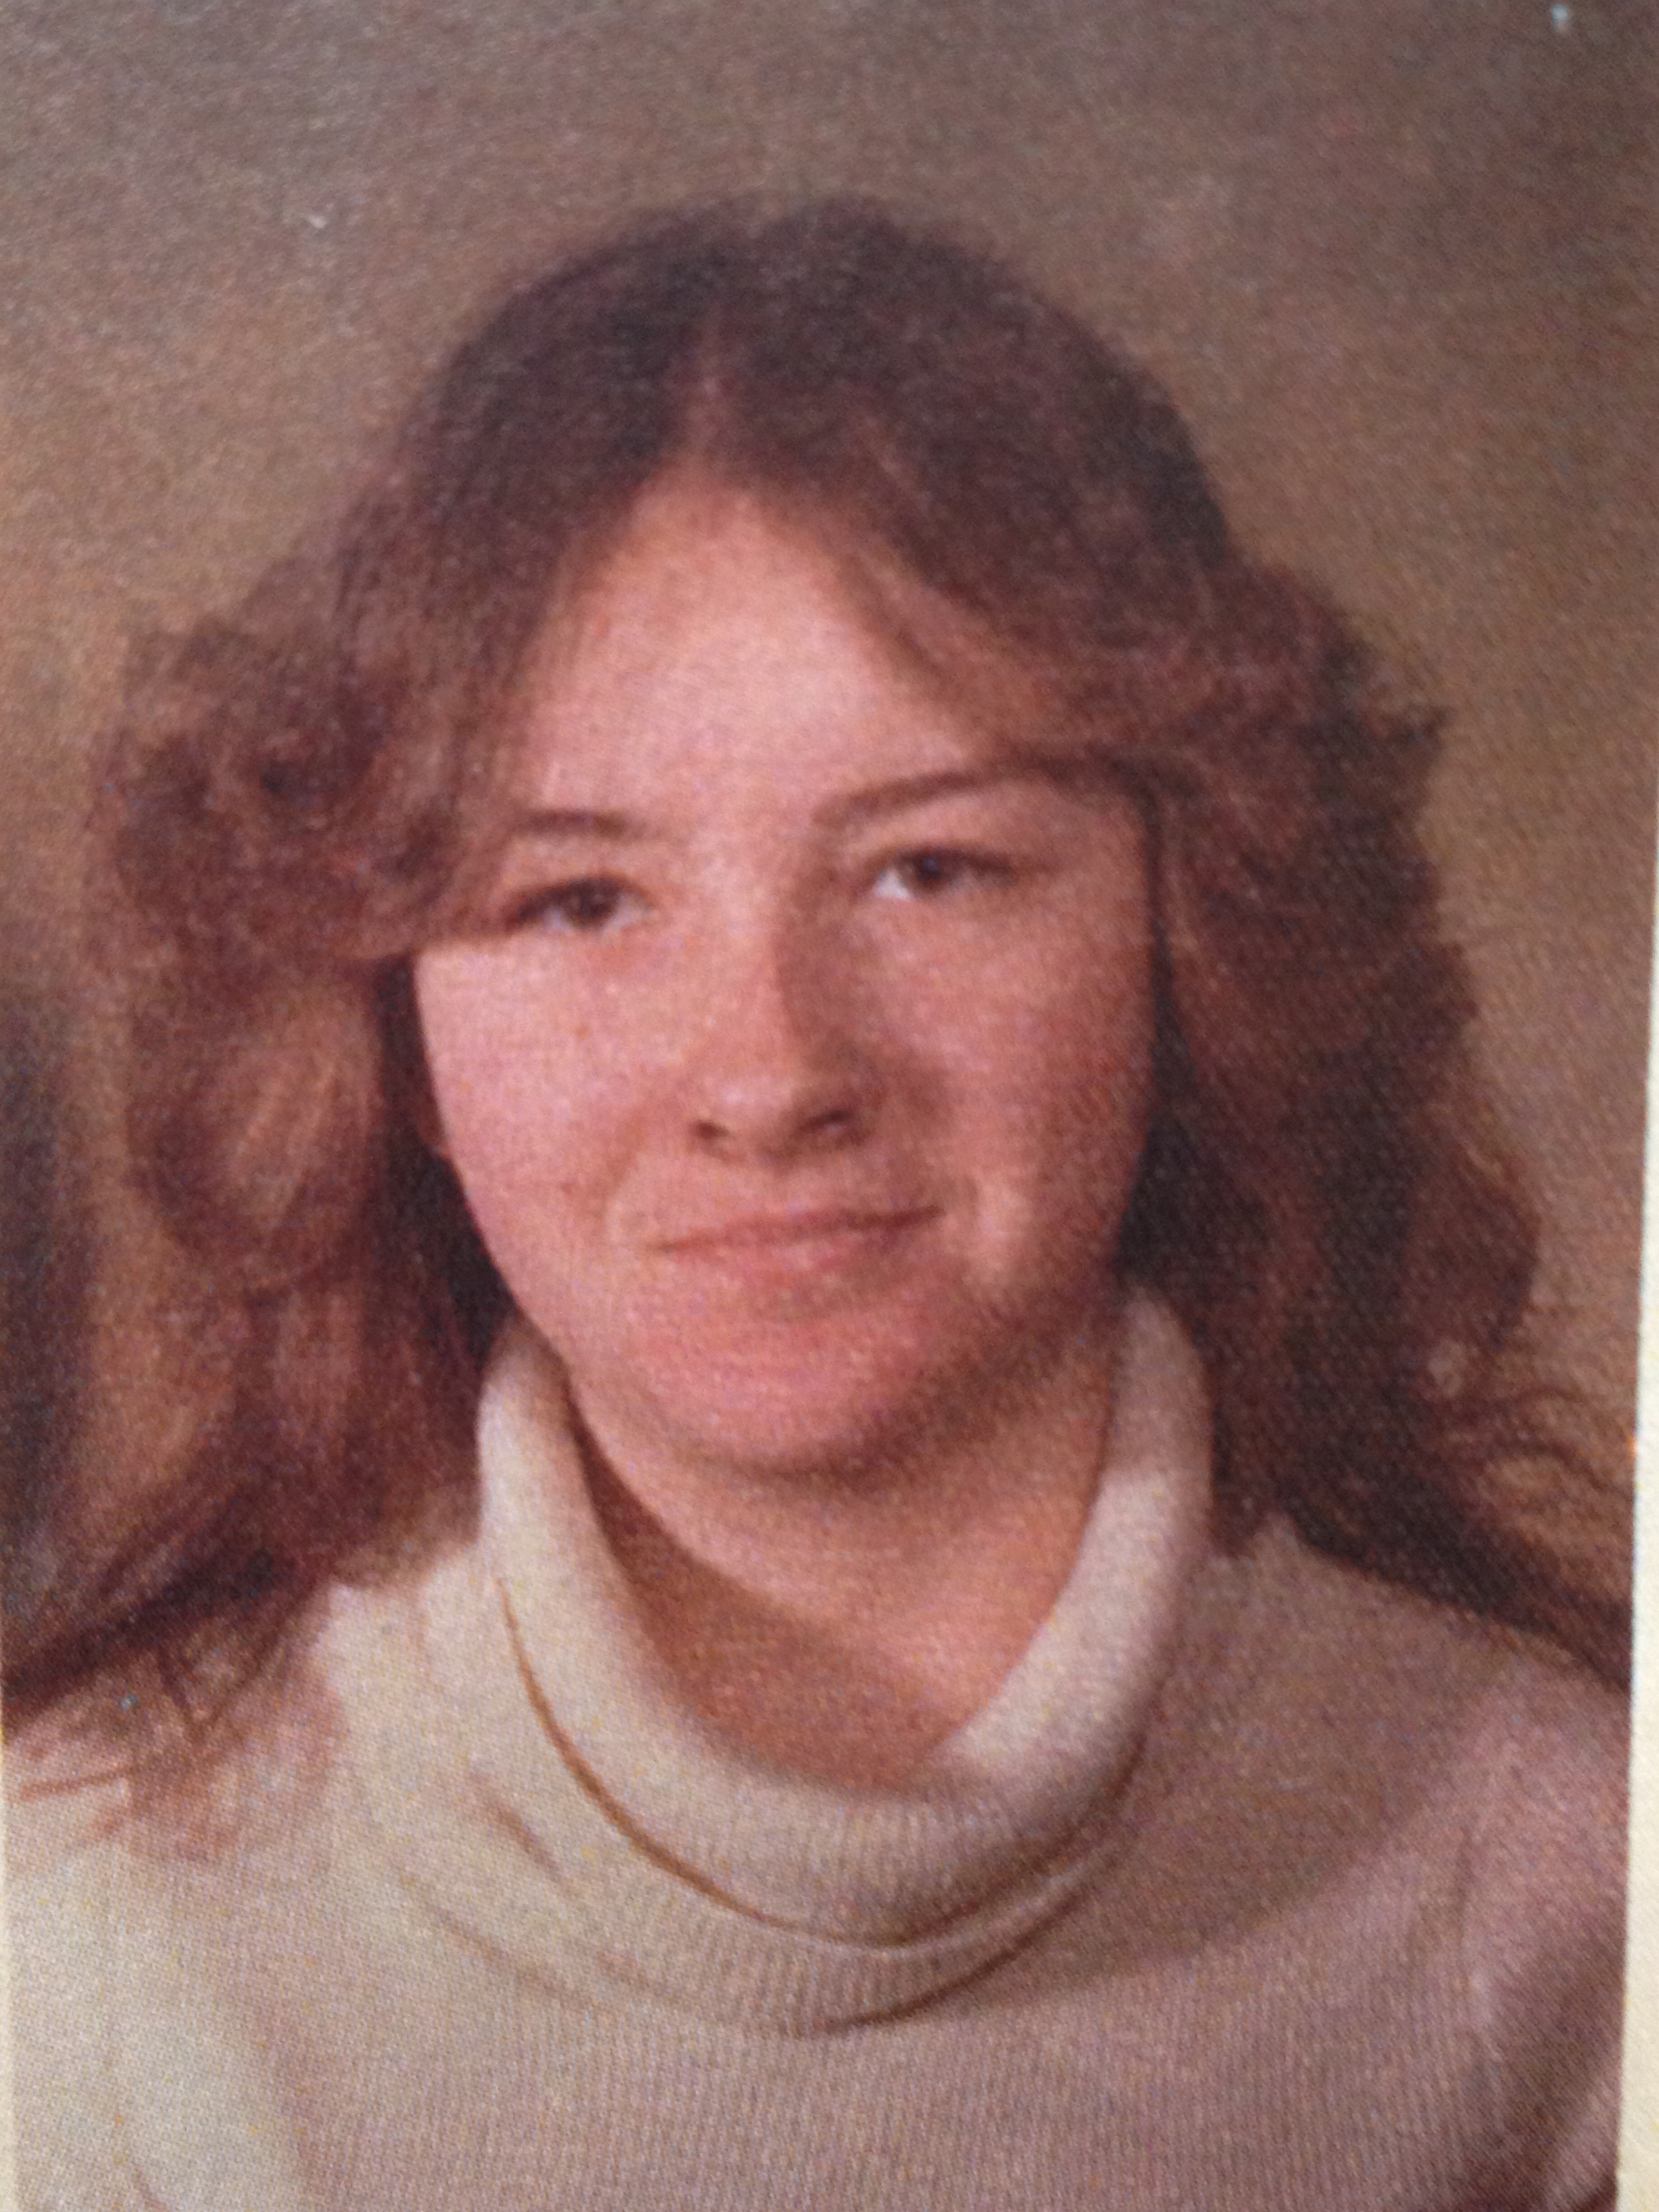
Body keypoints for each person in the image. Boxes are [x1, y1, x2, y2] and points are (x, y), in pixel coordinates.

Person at [7, 201, 1629, 2211]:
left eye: (929, 870)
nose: (771, 1075)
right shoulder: (74, 1927)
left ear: (1195, 941)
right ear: (393, 1037)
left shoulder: (1576, 1908)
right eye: (580, 900)